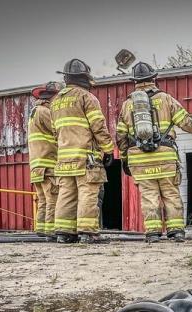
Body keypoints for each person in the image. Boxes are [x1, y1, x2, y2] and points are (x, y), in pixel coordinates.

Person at [115, 62, 192, 243]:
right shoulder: (166, 99)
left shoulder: (127, 105)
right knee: (171, 194)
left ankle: (152, 233)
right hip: (165, 157)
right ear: (153, 78)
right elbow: (186, 122)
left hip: (140, 160)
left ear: (135, 82)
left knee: (149, 196)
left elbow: (120, 136)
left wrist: (124, 158)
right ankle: (176, 231)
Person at [50, 58, 115, 244]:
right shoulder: (87, 97)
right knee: (88, 192)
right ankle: (88, 233)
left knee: (66, 194)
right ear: (85, 78)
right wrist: (108, 149)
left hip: (64, 158)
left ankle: (63, 232)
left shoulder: (56, 102)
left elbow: (55, 132)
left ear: (66, 78)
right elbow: (98, 126)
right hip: (86, 157)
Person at [27, 82, 60, 241]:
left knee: (42, 199)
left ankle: (41, 229)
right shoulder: (45, 112)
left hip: (36, 165)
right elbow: (58, 130)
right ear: (51, 98)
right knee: (53, 197)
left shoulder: (33, 113)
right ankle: (51, 231)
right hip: (48, 163)